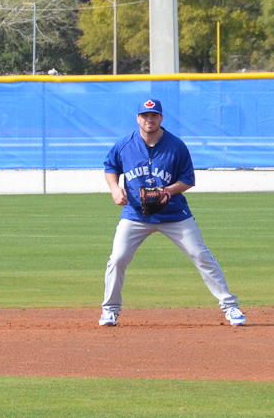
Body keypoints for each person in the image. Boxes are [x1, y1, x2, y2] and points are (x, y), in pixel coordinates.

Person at [100, 97, 245, 328]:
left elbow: (188, 179)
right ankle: (110, 311)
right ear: (138, 118)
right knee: (117, 259)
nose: (150, 119)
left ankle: (231, 307)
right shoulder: (124, 144)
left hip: (175, 214)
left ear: (161, 118)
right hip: (136, 214)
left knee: (201, 255)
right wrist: (115, 188)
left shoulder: (176, 146)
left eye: (154, 115)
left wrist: (168, 191)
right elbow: (111, 167)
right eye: (145, 115)